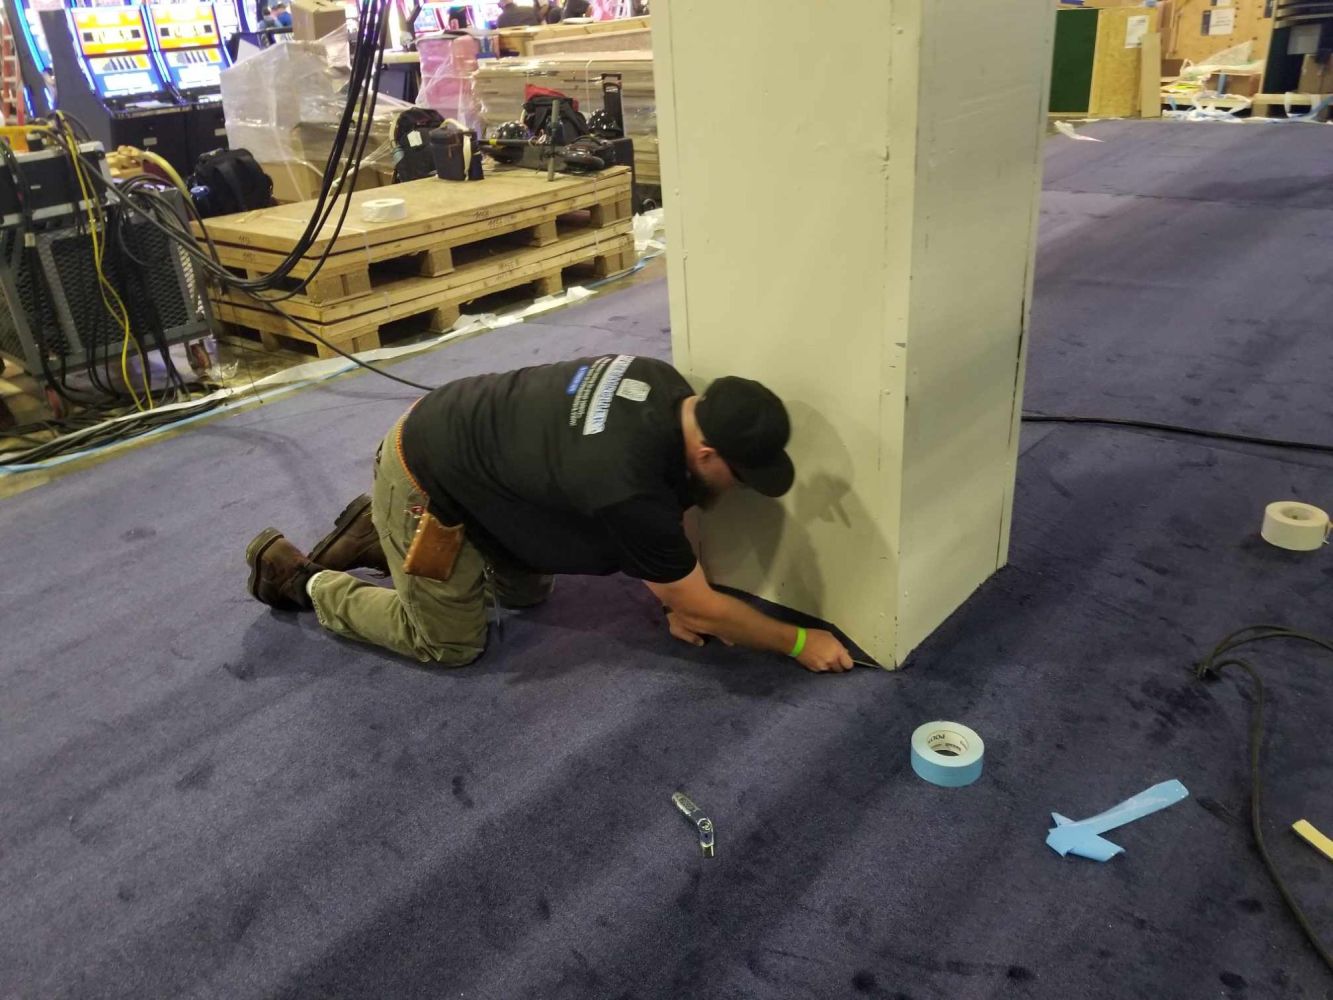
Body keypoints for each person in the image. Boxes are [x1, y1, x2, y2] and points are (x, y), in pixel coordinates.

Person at [244, 355, 854, 674]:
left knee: (527, 591)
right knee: (447, 642)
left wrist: (678, 596)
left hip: (469, 451)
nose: (740, 490)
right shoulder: (627, 480)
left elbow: (674, 522)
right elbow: (699, 599)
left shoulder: (664, 384)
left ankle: (381, 535)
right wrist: (798, 640)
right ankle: (306, 580)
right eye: (741, 478)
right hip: (423, 472)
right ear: (708, 453)